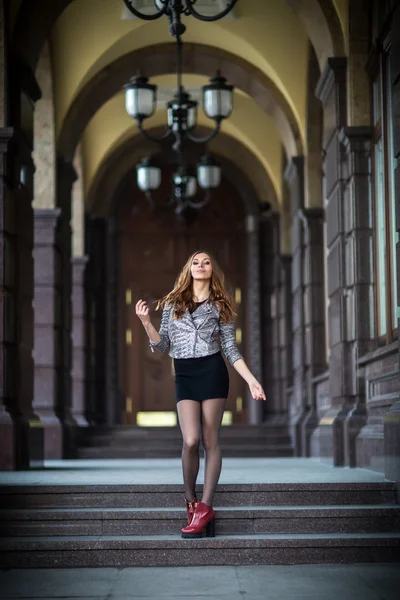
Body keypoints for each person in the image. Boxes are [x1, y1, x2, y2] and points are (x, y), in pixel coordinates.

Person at [135, 250, 266, 538]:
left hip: (212, 371)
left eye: (206, 262)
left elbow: (231, 349)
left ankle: (205, 507)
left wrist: (252, 381)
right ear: (188, 269)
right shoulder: (172, 303)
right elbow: (162, 346)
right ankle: (190, 500)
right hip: (184, 373)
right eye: (195, 261)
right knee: (190, 439)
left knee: (210, 439)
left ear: (212, 270)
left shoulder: (222, 306)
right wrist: (146, 323)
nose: (201, 265)